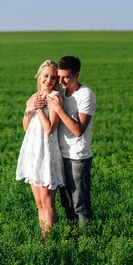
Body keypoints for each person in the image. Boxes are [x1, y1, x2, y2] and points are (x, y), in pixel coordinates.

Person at [16, 60, 65, 241]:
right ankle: (44, 238)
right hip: (33, 153)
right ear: (39, 75)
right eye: (46, 76)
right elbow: (26, 127)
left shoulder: (54, 98)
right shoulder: (33, 97)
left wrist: (40, 110)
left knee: (48, 202)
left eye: (53, 77)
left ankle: (51, 240)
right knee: (39, 203)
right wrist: (29, 110)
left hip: (47, 153)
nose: (49, 80)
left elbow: (50, 128)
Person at [47, 56, 96, 225]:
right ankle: (73, 240)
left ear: (77, 74)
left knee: (80, 205)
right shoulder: (60, 93)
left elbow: (78, 130)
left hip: (78, 157)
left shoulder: (86, 94)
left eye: (66, 77)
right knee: (67, 204)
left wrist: (59, 109)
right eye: (59, 77)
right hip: (60, 155)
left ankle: (87, 242)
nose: (61, 81)